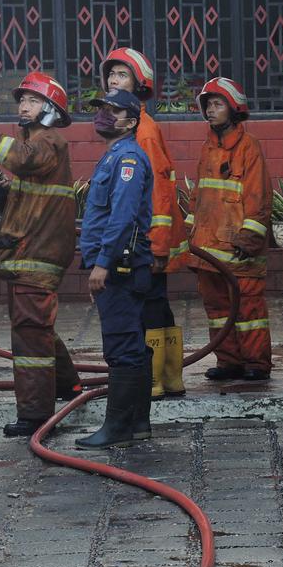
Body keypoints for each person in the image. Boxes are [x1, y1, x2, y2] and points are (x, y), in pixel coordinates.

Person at [0, 73, 81, 437]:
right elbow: (27, 196)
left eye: (33, 101)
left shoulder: (49, 141)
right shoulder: (38, 143)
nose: (23, 106)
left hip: (36, 255)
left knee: (29, 336)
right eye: (22, 100)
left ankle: (36, 414)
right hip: (27, 253)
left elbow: (22, 159)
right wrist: (3, 194)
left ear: (51, 110)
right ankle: (67, 385)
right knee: (36, 328)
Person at [100, 48, 188, 399]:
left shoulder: (143, 133)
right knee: (156, 305)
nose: (113, 80)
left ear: (139, 84)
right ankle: (168, 378)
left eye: (122, 75)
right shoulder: (131, 127)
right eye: (111, 74)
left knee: (149, 305)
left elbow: (159, 195)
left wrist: (158, 245)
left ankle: (152, 380)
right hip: (142, 239)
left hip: (147, 241)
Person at [75, 88, 154, 450]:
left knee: (122, 344)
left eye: (113, 110)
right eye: (101, 109)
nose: (104, 115)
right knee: (132, 343)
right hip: (119, 262)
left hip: (120, 264)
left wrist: (103, 263)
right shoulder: (114, 156)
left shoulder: (128, 160)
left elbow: (121, 216)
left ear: (131, 122)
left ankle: (118, 427)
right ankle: (137, 424)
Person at [188, 77, 272, 381]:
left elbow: (258, 196)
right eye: (207, 105)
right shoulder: (207, 149)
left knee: (248, 311)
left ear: (234, 108)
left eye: (217, 104)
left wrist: (248, 239)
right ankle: (229, 361)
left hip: (239, 251)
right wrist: (190, 240)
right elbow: (199, 198)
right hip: (208, 251)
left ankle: (256, 364)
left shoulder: (249, 148)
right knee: (218, 310)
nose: (211, 110)